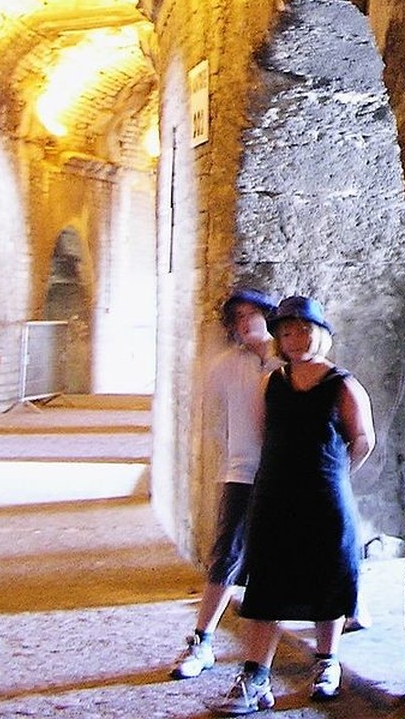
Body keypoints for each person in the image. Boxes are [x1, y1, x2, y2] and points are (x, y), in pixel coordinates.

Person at [209, 294, 376, 714]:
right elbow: (264, 433)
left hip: (325, 494)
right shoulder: (272, 383)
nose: (296, 338)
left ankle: (326, 661)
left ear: (320, 334)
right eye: (287, 332)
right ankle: (255, 676)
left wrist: (336, 472)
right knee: (269, 582)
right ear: (280, 341)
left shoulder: (342, 384)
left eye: (304, 330)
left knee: (328, 575)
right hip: (276, 494)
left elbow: (362, 438)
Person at [170, 288, 279, 680]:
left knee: (290, 557)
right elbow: (207, 408)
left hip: (285, 473)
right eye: (238, 317)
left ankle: (327, 646)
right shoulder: (227, 365)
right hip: (242, 472)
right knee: (226, 554)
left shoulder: (290, 362)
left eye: (253, 314)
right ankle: (202, 640)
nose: (246, 322)